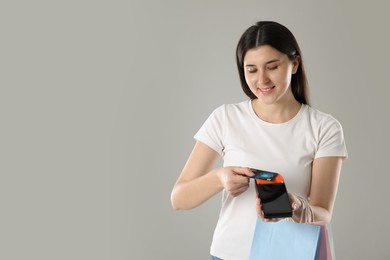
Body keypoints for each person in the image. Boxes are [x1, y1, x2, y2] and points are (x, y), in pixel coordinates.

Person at [170, 21, 348, 260]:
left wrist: (296, 207)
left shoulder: (324, 128)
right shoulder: (225, 118)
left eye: (272, 67)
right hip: (229, 254)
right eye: (251, 70)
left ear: (294, 64)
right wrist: (219, 178)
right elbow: (179, 198)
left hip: (292, 255)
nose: (262, 80)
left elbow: (323, 211)